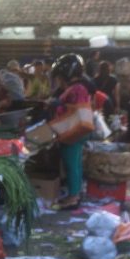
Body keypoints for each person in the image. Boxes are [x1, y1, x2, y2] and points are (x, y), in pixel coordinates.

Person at [50, 54, 91, 210]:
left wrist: (55, 103)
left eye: (59, 77)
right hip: (77, 131)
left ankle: (73, 197)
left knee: (71, 164)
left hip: (72, 132)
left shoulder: (76, 88)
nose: (58, 81)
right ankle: (76, 193)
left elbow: (71, 108)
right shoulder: (79, 87)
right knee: (75, 163)